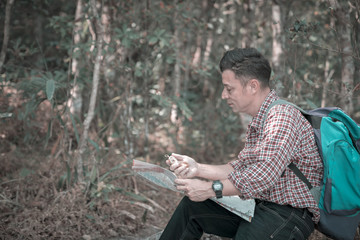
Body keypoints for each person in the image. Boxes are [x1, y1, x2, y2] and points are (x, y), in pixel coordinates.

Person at [159, 47, 323, 240]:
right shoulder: (262, 119)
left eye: (229, 89)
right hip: (263, 208)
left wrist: (208, 189)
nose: (223, 95)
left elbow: (262, 176)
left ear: (253, 86)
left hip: (289, 215)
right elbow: (240, 168)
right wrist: (197, 168)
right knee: (193, 207)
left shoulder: (281, 117)